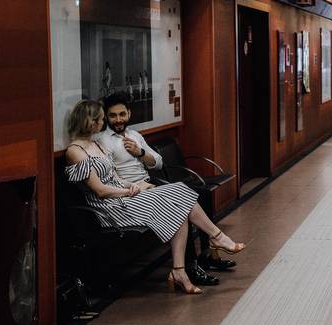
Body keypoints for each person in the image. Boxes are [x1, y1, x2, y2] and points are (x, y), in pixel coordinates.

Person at [64, 100, 245, 295]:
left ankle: (180, 270)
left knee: (181, 201)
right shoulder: (75, 152)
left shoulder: (96, 144)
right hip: (110, 207)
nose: (103, 123)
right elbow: (100, 190)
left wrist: (133, 185)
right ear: (90, 121)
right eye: (100, 119)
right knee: (181, 198)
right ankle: (216, 238)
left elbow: (116, 178)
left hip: (125, 196)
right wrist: (129, 191)